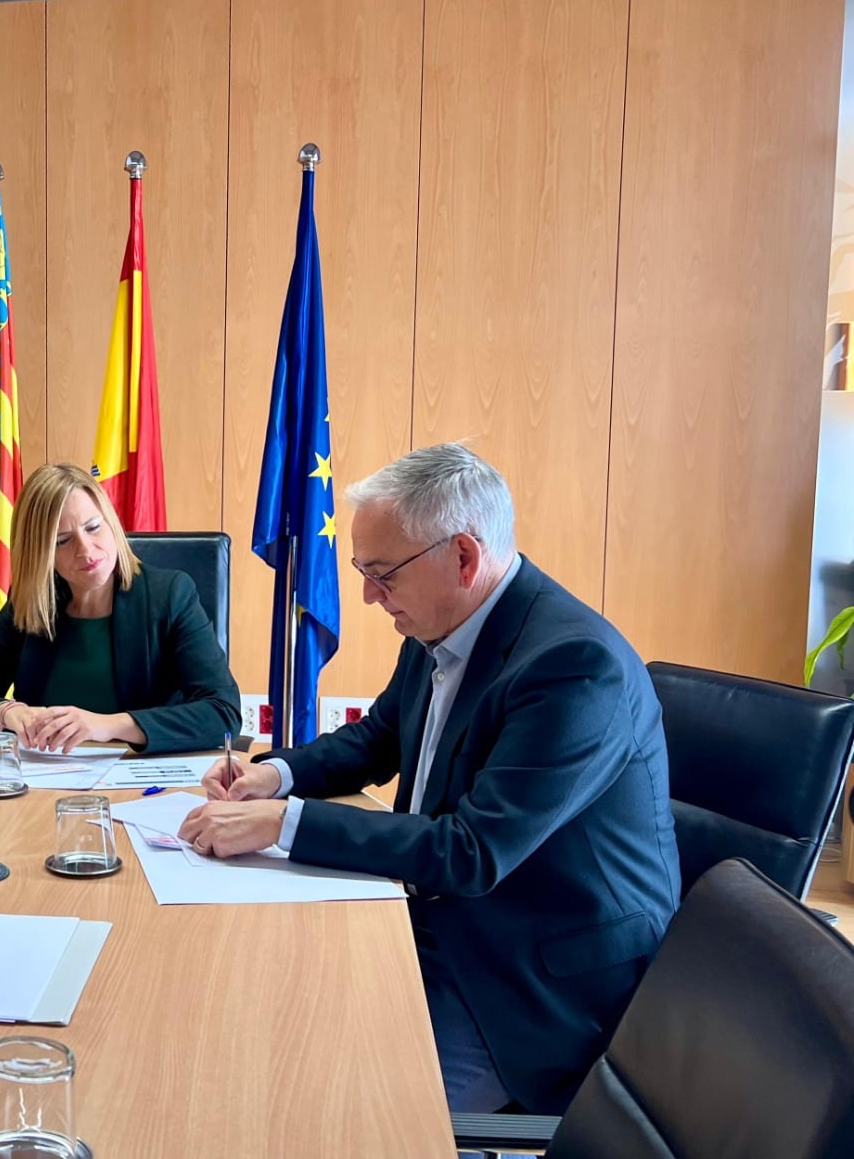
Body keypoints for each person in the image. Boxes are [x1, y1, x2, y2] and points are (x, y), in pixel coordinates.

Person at [179, 443, 680, 1116]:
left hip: (528, 980)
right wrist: (274, 776)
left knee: (335, 1113)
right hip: (430, 922)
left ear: (464, 558)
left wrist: (285, 823)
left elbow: (470, 853)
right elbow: (378, 738)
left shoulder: (573, 666)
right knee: (254, 1025)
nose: (365, 595)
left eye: (381, 574)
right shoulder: (445, 620)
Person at [0, 462, 240, 754]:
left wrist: (107, 725)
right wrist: (7, 712)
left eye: (93, 527)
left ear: (111, 523)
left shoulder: (170, 595)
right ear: (41, 554)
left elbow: (223, 712)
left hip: (139, 783)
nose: (85, 549)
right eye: (63, 540)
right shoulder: (29, 602)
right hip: (45, 779)